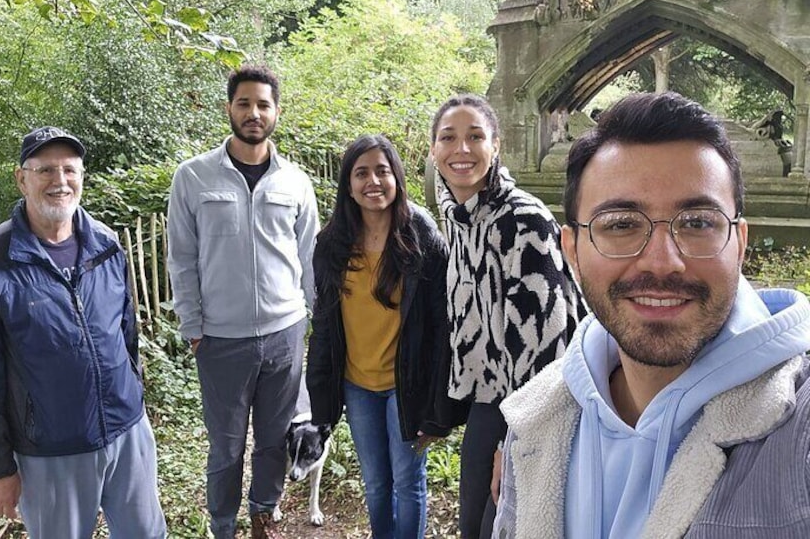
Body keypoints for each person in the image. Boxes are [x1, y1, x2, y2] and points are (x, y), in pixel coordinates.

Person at [492, 92, 810, 538]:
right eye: (621, 224)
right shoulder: (536, 422)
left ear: (739, 242)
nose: (662, 263)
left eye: (698, 222)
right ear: (571, 251)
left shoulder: (799, 421)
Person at [0, 126, 166, 538]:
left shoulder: (106, 245)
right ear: (22, 178)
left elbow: (127, 337)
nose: (60, 182)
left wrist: (135, 403)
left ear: (82, 176)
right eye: (46, 171)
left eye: (70, 170)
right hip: (50, 450)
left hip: (127, 434)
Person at [167, 65, 319, 539]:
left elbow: (309, 256)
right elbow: (182, 256)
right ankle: (223, 524)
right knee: (226, 444)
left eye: (263, 104)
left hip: (285, 333)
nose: (254, 113)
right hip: (220, 338)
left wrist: (315, 322)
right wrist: (193, 325)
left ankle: (262, 513)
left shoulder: (295, 181)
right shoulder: (192, 177)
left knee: (275, 438)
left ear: (277, 112)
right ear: (229, 108)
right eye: (244, 103)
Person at [429, 94, 585, 539]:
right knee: (473, 522)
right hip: (487, 400)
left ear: (495, 146)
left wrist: (515, 441)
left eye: (475, 136)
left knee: (503, 525)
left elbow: (550, 342)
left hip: (535, 407)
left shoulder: (524, 221)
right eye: (448, 138)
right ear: (433, 150)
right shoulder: (459, 219)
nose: (462, 149)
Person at [307, 134, 468, 538]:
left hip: (407, 386)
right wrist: (322, 400)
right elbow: (324, 326)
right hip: (358, 384)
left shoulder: (422, 236)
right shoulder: (331, 244)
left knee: (406, 481)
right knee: (377, 483)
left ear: (397, 177)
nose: (373, 181)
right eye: (361, 173)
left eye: (382, 171)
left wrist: (438, 405)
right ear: (348, 184)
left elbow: (441, 327)